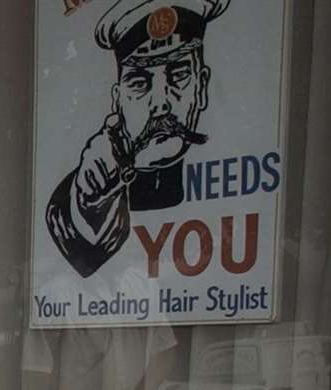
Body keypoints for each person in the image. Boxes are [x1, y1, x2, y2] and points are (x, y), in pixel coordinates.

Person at [45, 0, 229, 278]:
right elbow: (79, 246)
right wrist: (90, 196)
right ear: (118, 101)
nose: (160, 104)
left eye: (178, 76)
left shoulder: (228, 182)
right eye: (140, 84)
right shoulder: (93, 182)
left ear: (201, 87)